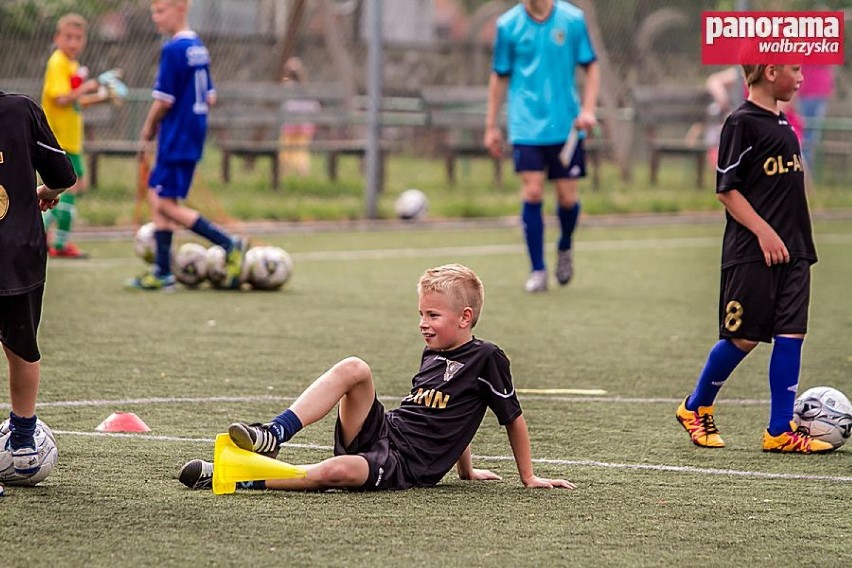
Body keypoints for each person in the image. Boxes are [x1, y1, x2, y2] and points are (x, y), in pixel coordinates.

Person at [178, 264, 575, 491]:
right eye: (421, 314)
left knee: (336, 472)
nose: (423, 323)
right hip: (385, 429)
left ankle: (242, 478)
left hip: (406, 463)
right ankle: (273, 434)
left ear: (465, 317)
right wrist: (465, 468)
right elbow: (449, 412)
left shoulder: (488, 357)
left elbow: (510, 417)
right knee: (355, 367)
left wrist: (529, 477)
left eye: (433, 316)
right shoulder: (433, 353)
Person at [676, 63, 833, 454]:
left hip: (795, 248)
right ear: (769, 71)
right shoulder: (741, 122)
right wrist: (764, 232)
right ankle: (696, 407)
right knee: (743, 336)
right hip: (753, 251)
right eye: (794, 70)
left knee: (792, 333)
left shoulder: (785, 123)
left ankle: (780, 431)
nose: (801, 78)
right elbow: (726, 189)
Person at [127, 0, 246, 291]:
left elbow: (164, 100)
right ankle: (163, 271)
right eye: (153, 11)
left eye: (161, 11)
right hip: (192, 134)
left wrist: (149, 127)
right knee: (162, 196)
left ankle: (229, 243)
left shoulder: (174, 49)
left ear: (180, 9)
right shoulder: (198, 47)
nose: (156, 18)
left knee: (163, 202)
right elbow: (210, 97)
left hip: (175, 137)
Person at [484, 0, 599, 293]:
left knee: (567, 199)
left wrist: (587, 109)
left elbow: (591, 67)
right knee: (532, 191)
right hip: (526, 126)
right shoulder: (507, 25)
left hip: (566, 126)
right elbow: (499, 76)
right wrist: (491, 126)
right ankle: (537, 270)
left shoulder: (573, 19)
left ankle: (564, 246)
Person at [0, 90, 77, 483]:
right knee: (22, 350)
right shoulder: (21, 109)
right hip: (18, 254)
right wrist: (46, 193)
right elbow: (63, 175)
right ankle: (25, 443)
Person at [40, 13, 112, 259]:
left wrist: (103, 96)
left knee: (67, 189)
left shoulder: (71, 64)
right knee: (66, 187)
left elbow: (75, 102)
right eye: (68, 37)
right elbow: (60, 98)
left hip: (71, 139)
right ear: (57, 38)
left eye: (78, 38)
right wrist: (88, 86)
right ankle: (50, 239)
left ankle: (54, 241)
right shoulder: (58, 62)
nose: (73, 42)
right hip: (58, 139)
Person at [278, 57, 319, 176]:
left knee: (286, 150)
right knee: (301, 151)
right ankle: (302, 172)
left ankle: (284, 173)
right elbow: (315, 107)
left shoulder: (287, 86)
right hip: (305, 127)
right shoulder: (306, 88)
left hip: (290, 127)